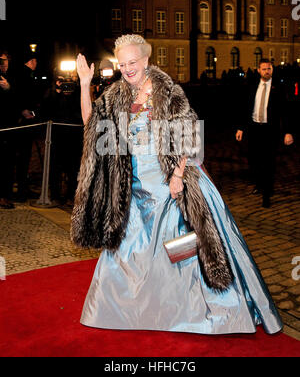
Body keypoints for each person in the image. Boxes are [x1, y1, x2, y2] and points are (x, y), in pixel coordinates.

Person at [71, 35, 282, 335]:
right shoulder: (116, 94)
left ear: (146, 61)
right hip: (132, 187)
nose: (128, 69)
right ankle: (137, 311)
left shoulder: (167, 92)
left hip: (168, 182)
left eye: (133, 62)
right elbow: (92, 125)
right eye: (123, 64)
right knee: (130, 250)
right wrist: (84, 84)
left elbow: (189, 136)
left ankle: (188, 312)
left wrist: (178, 176)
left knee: (178, 250)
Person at [236, 59, 294, 208]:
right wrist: (241, 128)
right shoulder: (252, 86)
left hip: (270, 130)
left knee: (269, 162)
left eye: (269, 69)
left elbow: (285, 111)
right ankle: (260, 184)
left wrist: (287, 132)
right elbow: (246, 107)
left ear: (272, 70)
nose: (267, 71)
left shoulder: (279, 88)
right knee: (254, 160)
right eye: (264, 69)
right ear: (258, 70)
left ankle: (267, 194)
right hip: (255, 129)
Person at [41, 75, 83, 203]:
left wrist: (77, 87)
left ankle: (71, 194)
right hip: (57, 135)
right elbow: (46, 108)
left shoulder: (78, 92)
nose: (66, 86)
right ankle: (55, 195)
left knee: (73, 167)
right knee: (55, 167)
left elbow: (80, 109)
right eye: (62, 81)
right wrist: (57, 92)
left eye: (68, 82)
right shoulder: (53, 93)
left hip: (74, 136)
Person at [14, 52, 40, 201]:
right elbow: (25, 95)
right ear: (32, 61)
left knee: (24, 156)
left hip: (25, 118)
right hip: (24, 121)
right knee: (23, 155)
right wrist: (26, 111)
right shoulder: (26, 75)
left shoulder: (24, 74)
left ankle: (22, 186)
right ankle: (21, 188)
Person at [0, 51, 17, 209]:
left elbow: (17, 100)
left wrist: (8, 88)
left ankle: (5, 195)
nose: (3, 64)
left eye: (5, 60)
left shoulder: (13, 78)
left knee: (7, 164)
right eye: (0, 61)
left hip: (8, 127)